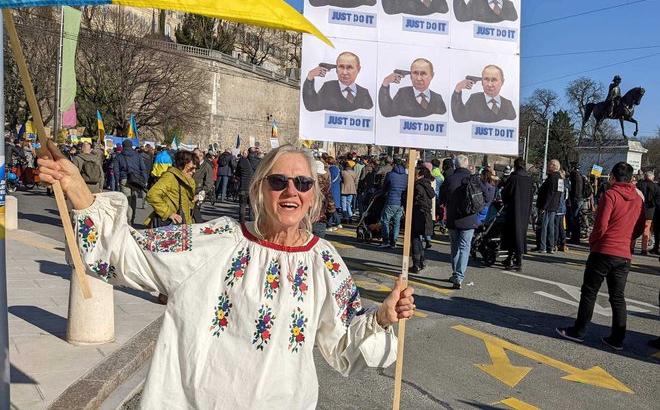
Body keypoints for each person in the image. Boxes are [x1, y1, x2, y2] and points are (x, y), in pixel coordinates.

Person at [37, 142, 414, 409]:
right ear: (258, 188)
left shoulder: (325, 262)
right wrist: (79, 190)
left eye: (303, 183)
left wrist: (382, 317)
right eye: (278, 181)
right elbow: (129, 252)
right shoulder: (217, 240)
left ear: (314, 195)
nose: (291, 191)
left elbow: (342, 346)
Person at [557, 162, 645, 350]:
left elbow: (601, 225)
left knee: (589, 292)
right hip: (624, 253)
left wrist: (593, 242)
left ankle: (579, 331)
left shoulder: (610, 195)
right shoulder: (638, 200)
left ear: (613, 177)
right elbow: (640, 226)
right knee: (618, 297)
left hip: (604, 250)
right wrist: (628, 238)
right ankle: (617, 338)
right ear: (630, 179)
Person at [438, 155, 484, 289]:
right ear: (467, 165)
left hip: (453, 218)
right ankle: (459, 276)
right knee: (465, 247)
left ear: (455, 165)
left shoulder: (449, 179)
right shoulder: (472, 179)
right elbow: (486, 195)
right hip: (469, 218)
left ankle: (455, 273)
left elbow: (442, 199)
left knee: (455, 247)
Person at [302, 52, 374, 112]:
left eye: (349, 67)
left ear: (358, 69)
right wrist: (310, 77)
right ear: (336, 69)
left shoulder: (364, 93)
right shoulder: (328, 88)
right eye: (341, 67)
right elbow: (312, 106)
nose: (344, 72)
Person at [378, 58, 446, 118]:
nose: (419, 78)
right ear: (410, 75)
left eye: (423, 74)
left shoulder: (438, 98)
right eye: (415, 73)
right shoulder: (403, 94)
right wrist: (385, 83)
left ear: (432, 75)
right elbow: (387, 112)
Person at [451, 65, 516, 123]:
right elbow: (459, 117)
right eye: (486, 79)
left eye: (494, 80)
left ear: (502, 82)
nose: (489, 84)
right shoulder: (475, 99)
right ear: (482, 82)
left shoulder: (508, 104)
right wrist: (458, 89)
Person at [501, 157, 534, 270]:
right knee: (520, 235)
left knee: (512, 235)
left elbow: (505, 193)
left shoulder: (513, 178)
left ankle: (517, 261)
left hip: (513, 209)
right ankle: (511, 258)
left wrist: (505, 202)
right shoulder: (529, 179)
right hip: (525, 210)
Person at [113, 139, 148, 226]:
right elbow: (143, 168)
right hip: (136, 180)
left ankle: (128, 220)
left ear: (123, 146)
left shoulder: (119, 156)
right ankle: (132, 218)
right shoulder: (137, 155)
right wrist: (144, 180)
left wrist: (117, 180)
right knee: (133, 199)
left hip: (124, 179)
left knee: (126, 200)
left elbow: (116, 170)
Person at [409, 166, 435, 273]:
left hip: (417, 213)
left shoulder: (418, 186)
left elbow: (414, 199)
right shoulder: (428, 185)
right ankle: (421, 261)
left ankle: (416, 264)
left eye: (416, 174)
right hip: (426, 214)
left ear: (420, 175)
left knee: (415, 238)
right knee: (418, 238)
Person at [378, 158, 408, 249]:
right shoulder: (406, 176)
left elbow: (385, 187)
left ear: (394, 165)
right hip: (401, 202)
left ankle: (386, 240)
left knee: (385, 219)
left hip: (391, 200)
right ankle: (394, 241)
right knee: (397, 221)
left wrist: (381, 195)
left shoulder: (390, 175)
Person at [536, 159, 562, 253]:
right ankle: (550, 246)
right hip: (554, 205)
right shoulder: (560, 178)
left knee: (544, 226)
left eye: (549, 165)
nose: (547, 166)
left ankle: (542, 246)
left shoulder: (551, 178)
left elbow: (549, 193)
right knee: (551, 226)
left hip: (547, 205)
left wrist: (544, 206)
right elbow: (559, 193)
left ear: (553, 166)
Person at [634, 170, 660, 255]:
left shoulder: (639, 185)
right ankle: (644, 249)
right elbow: (658, 200)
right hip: (650, 211)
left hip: (639, 210)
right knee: (646, 229)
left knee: (635, 228)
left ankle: (631, 247)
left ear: (645, 177)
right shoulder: (656, 187)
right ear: (652, 178)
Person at [192, 148, 214, 223]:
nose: (196, 157)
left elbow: (209, 183)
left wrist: (200, 195)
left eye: (198, 156)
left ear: (202, 156)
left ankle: (200, 225)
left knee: (195, 209)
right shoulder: (191, 164)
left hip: (199, 192)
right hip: (190, 191)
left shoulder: (207, 167)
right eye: (194, 155)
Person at [567, 162, 584, 245]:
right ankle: (575, 237)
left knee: (574, 219)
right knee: (576, 219)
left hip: (576, 199)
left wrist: (571, 200)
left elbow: (573, 189)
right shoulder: (580, 175)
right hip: (580, 199)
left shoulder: (574, 175)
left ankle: (575, 238)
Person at [235, 149, 254, 223]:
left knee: (242, 205)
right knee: (251, 206)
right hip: (251, 185)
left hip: (243, 186)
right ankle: (252, 221)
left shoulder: (241, 161)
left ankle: (242, 222)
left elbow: (237, 173)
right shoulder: (251, 161)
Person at [555, 169, 569, 252]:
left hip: (559, 209)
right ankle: (563, 243)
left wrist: (557, 207)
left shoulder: (561, 184)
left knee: (557, 227)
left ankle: (555, 244)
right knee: (562, 227)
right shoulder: (566, 183)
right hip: (563, 209)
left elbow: (560, 197)